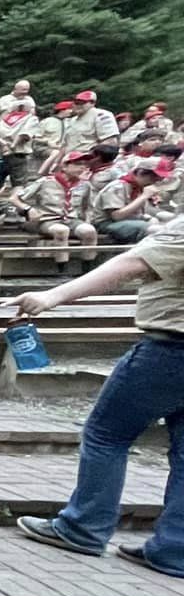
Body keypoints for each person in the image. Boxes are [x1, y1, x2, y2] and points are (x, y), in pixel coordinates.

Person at [13, 222, 184, 577]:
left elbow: (133, 264)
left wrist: (52, 296)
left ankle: (83, 527)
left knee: (106, 434)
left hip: (171, 347)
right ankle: (174, 549)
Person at [7, 155, 101, 272]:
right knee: (61, 230)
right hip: (47, 219)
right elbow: (14, 198)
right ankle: (62, 270)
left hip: (71, 219)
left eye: (85, 165)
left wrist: (87, 220)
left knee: (89, 231)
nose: (82, 168)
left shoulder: (84, 184)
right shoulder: (46, 181)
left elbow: (88, 207)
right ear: (65, 166)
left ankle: (88, 270)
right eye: (78, 164)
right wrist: (28, 209)